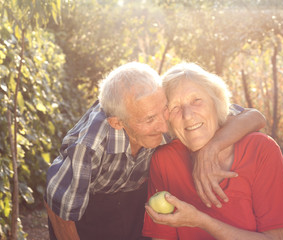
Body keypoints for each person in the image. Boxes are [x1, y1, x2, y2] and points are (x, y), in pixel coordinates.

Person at [45, 62, 265, 240]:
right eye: (150, 119)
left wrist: (211, 150)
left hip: (137, 200)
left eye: (164, 111)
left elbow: (253, 117)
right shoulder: (90, 144)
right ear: (117, 123)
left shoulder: (164, 102)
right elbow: (60, 208)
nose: (163, 127)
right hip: (89, 208)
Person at [143, 62, 283, 240]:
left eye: (196, 101)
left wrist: (202, 222)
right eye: (175, 108)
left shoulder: (260, 149)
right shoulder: (164, 160)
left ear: (216, 103)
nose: (187, 115)